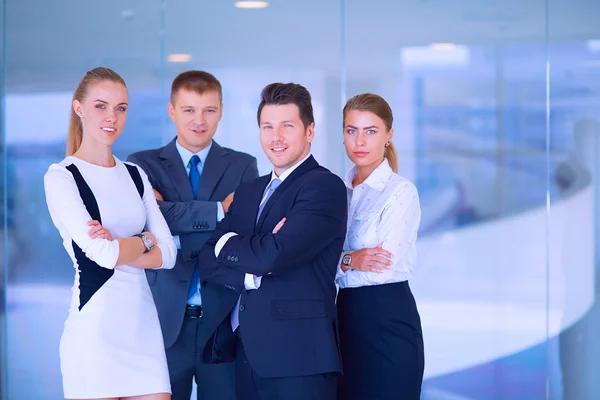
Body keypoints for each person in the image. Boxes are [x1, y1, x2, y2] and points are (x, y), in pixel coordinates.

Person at [197, 82, 347, 400]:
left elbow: (274, 255)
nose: (275, 137)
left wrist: (234, 244)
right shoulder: (250, 190)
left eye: (287, 126)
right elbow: (208, 257)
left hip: (299, 359)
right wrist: (249, 267)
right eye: (268, 127)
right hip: (246, 353)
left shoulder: (323, 187)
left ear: (309, 131)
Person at [43, 67, 177, 400]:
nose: (112, 117)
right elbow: (105, 256)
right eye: (101, 106)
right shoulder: (62, 177)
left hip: (143, 328)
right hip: (94, 333)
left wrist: (125, 244)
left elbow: (170, 253)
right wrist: (146, 239)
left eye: (121, 108)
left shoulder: (134, 175)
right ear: (79, 108)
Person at [127, 70, 258, 400]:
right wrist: (218, 211)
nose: (199, 120)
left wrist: (170, 221)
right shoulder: (141, 165)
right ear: (172, 111)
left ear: (221, 112)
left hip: (223, 324)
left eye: (209, 110)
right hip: (164, 325)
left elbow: (242, 234)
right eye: (189, 110)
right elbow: (146, 223)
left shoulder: (243, 165)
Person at [335, 93, 425, 400]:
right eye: (352, 130)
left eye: (371, 131)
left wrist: (339, 263)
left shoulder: (400, 192)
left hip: (387, 318)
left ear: (388, 135)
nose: (360, 141)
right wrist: (350, 261)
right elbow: (317, 259)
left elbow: (381, 268)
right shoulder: (337, 192)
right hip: (344, 317)